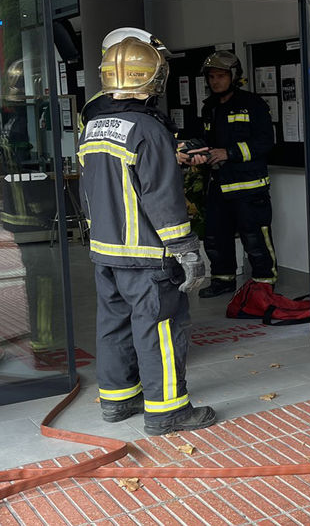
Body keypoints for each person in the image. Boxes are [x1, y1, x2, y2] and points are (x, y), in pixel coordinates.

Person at [78, 30, 217, 435]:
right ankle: (168, 409)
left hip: (106, 249)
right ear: (153, 79)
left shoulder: (95, 126)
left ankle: (118, 400)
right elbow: (161, 196)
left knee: (114, 324)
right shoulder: (149, 129)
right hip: (146, 253)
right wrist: (186, 248)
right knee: (160, 327)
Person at [186, 50, 277, 299]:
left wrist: (229, 152)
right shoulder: (209, 108)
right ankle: (222, 280)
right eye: (212, 77)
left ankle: (264, 284)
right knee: (215, 238)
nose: (215, 81)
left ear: (234, 76)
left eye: (221, 76)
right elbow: (207, 140)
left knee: (256, 237)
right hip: (218, 186)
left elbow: (265, 142)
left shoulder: (253, 105)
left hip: (249, 187)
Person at [0, 61, 66, 368]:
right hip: (34, 215)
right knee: (44, 280)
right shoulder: (28, 120)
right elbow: (37, 167)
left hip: (18, 213)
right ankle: (44, 341)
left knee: (36, 278)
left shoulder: (11, 120)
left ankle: (42, 337)